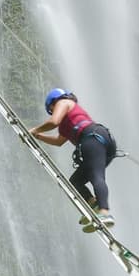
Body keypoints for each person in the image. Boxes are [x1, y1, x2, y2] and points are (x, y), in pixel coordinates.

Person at [29, 88, 117, 232]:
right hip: (101, 141)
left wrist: (35, 130)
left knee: (96, 176)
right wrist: (38, 136)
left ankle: (104, 212)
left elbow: (53, 121)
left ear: (53, 103)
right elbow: (58, 141)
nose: (53, 110)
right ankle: (93, 204)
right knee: (76, 181)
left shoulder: (64, 102)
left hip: (93, 137)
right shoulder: (66, 124)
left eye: (51, 108)